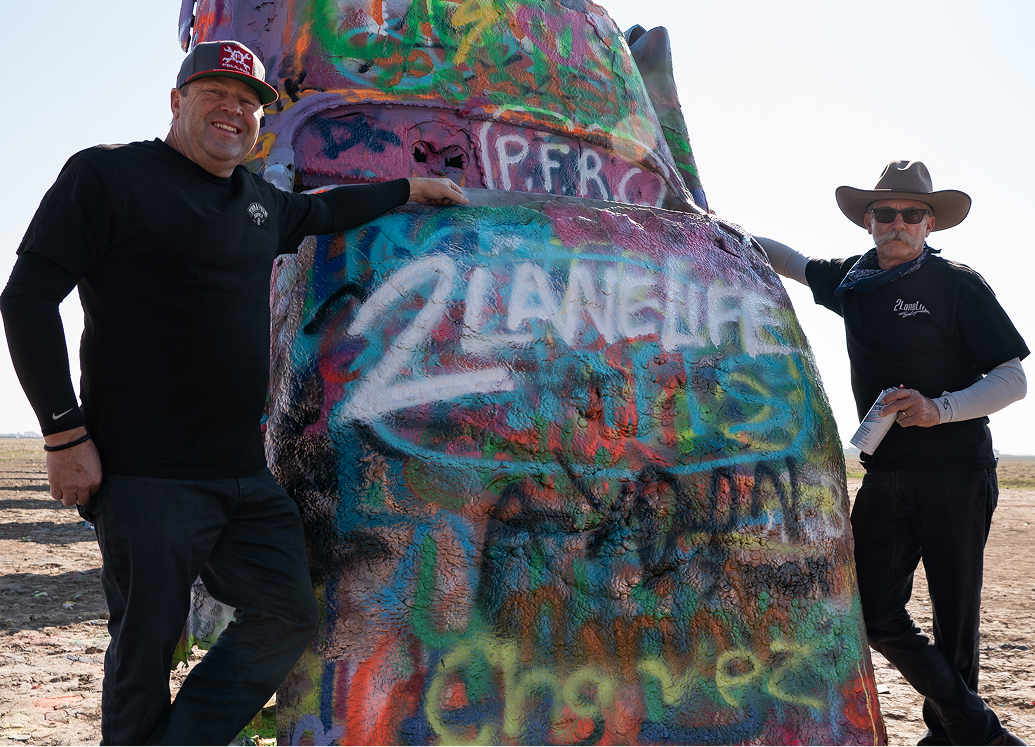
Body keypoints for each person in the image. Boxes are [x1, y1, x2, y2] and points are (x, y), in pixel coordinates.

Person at [0, 40, 467, 745]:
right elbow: (28, 298)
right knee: (144, 652)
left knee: (285, 614)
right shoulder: (107, 174)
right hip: (142, 474)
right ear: (177, 100)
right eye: (217, 93)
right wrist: (65, 436)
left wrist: (410, 189)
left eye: (248, 102)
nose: (235, 110)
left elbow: (328, 210)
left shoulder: (257, 203)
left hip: (242, 476)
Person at [755, 160, 1028, 746]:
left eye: (911, 213)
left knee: (957, 617)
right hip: (884, 475)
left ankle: (948, 733)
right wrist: (710, 229)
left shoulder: (958, 282)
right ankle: (976, 727)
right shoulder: (853, 282)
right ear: (868, 221)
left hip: (958, 472)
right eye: (885, 213)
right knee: (874, 611)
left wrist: (940, 407)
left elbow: (1012, 379)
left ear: (930, 223)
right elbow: (788, 261)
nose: (897, 222)